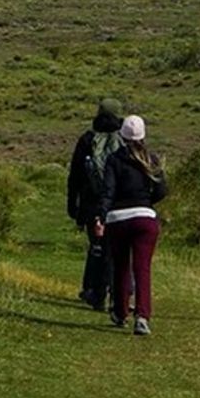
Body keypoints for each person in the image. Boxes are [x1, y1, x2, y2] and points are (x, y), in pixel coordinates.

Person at [94, 114, 167, 336]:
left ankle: (120, 311)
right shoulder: (151, 159)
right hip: (145, 217)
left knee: (121, 266)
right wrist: (146, 204)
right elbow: (162, 190)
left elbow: (108, 192)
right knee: (142, 269)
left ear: (122, 135)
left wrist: (101, 215)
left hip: (119, 219)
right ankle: (142, 316)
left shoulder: (114, 160)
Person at [66, 98, 125, 310]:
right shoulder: (124, 139)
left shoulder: (87, 139)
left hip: (92, 202)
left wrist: (73, 205)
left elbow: (75, 176)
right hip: (119, 202)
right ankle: (114, 292)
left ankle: (96, 292)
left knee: (98, 247)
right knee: (116, 251)